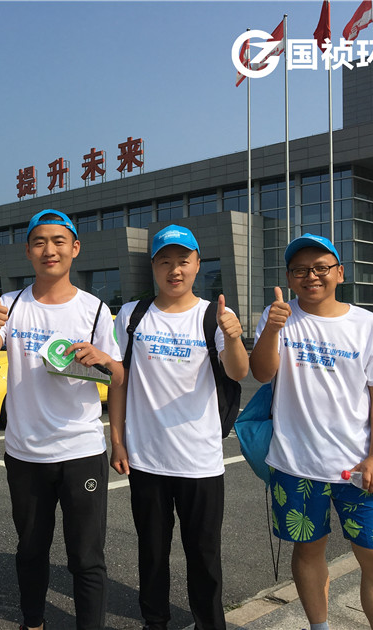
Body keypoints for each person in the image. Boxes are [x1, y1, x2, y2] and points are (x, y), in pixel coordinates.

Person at [0, 209, 123, 630]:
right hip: (26, 452)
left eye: (59, 241)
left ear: (75, 248)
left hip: (81, 450)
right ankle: (33, 623)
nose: (49, 250)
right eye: (39, 242)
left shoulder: (94, 309)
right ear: (28, 251)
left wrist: (102, 358)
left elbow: (120, 375)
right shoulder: (11, 305)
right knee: (31, 549)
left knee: (87, 556)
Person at [248, 233, 373, 630]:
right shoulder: (278, 316)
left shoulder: (367, 325)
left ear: (340, 273)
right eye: (300, 270)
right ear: (289, 277)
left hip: (359, 469)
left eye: (321, 268)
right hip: (295, 465)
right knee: (308, 551)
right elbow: (262, 373)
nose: (311, 276)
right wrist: (272, 329)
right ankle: (319, 626)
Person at [108, 224, 248, 630]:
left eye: (183, 261)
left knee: (204, 554)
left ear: (197, 264)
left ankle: (210, 623)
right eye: (165, 261)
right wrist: (117, 441)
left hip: (200, 460)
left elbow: (238, 372)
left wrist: (233, 338)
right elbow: (119, 381)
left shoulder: (214, 316)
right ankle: (155, 621)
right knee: (152, 551)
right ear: (153, 266)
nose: (175, 270)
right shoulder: (132, 315)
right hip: (147, 458)